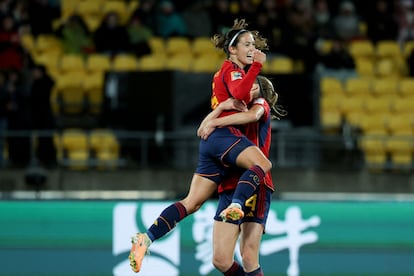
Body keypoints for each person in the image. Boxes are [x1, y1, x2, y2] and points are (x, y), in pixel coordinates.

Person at [128, 18, 271, 273]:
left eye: (253, 45)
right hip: (227, 142)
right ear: (232, 50)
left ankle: (147, 238)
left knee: (192, 203)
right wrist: (256, 67)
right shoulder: (234, 71)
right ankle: (237, 204)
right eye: (246, 44)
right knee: (263, 163)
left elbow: (233, 103)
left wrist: (210, 119)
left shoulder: (240, 88)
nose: (252, 49)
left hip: (214, 147)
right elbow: (239, 94)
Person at [199, 75, 285, 276]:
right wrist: (217, 113)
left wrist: (217, 122)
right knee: (220, 259)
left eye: (250, 84)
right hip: (230, 183)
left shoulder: (260, 104)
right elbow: (202, 129)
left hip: (254, 181)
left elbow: (252, 116)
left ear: (257, 88)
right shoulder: (232, 107)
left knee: (248, 255)